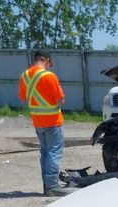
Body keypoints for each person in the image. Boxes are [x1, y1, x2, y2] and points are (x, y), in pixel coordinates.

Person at [18, 50, 70, 197]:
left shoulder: (25, 76)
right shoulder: (49, 76)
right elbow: (61, 101)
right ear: (47, 60)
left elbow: (23, 97)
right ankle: (53, 186)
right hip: (53, 121)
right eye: (49, 63)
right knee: (54, 152)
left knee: (45, 152)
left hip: (38, 122)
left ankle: (46, 185)